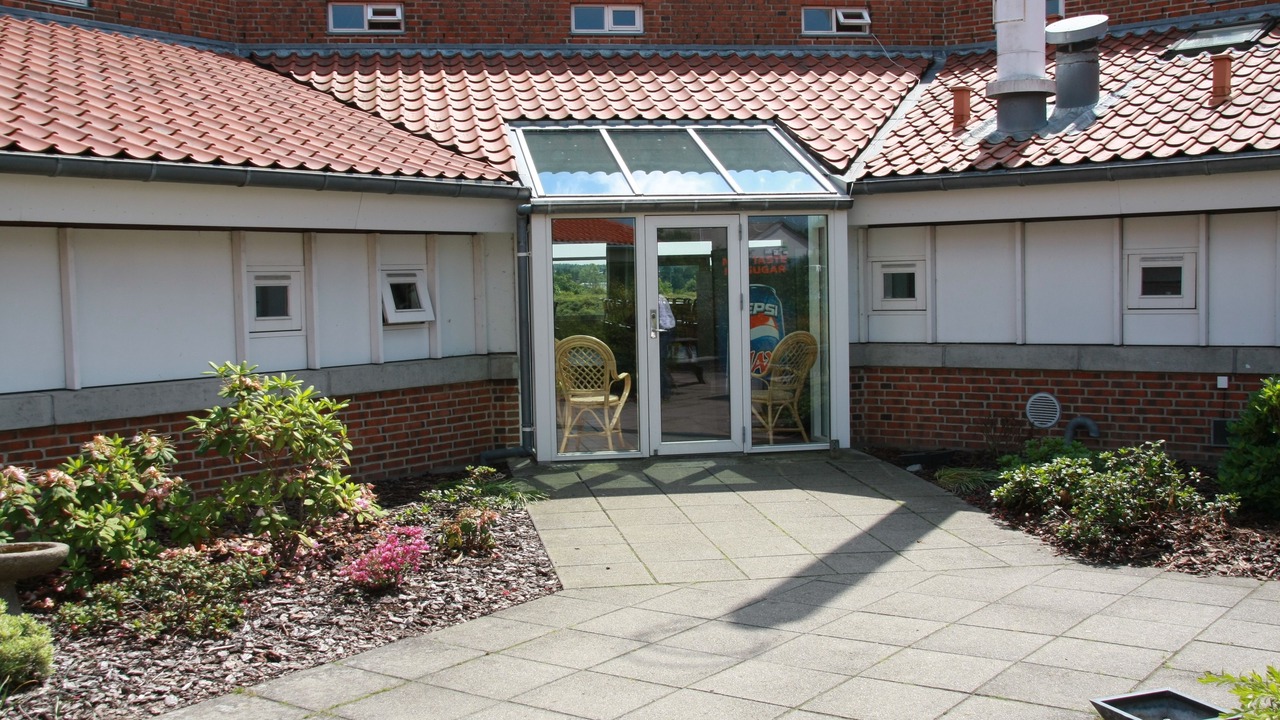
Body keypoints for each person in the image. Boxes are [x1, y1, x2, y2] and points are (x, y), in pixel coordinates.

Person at [658, 293, 676, 399]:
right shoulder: (660, 298)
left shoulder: (656, 299)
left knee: (660, 361)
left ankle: (664, 391)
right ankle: (664, 390)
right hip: (667, 330)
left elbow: (662, 320)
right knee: (661, 361)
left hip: (664, 331)